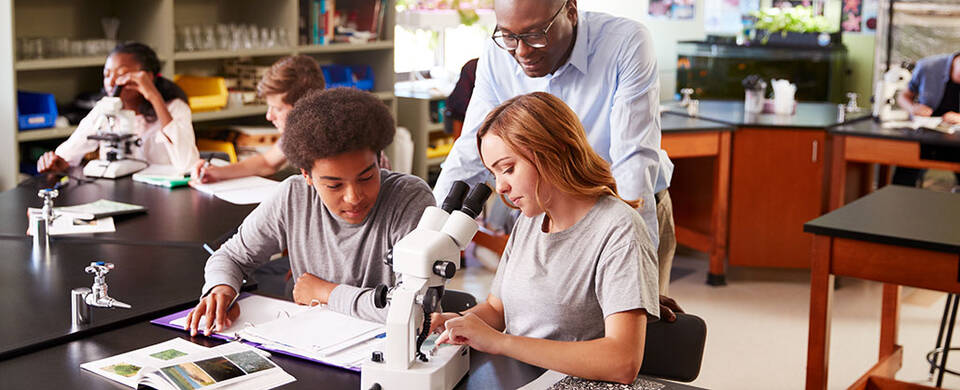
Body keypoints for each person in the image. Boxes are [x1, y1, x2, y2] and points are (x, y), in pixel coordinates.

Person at [432, 0, 678, 295]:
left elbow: (633, 164)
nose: (521, 51)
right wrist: (428, 233)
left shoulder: (625, 43)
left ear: (571, 11)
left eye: (537, 34)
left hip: (624, 208)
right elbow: (468, 155)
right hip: (547, 212)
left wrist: (637, 267)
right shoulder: (498, 53)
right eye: (509, 36)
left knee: (631, 330)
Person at [433, 92, 659, 384]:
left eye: (508, 169)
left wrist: (499, 342)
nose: (500, 187)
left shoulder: (619, 229)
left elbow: (621, 362)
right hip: (519, 378)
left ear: (552, 152)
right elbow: (497, 309)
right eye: (494, 173)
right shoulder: (532, 217)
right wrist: (456, 324)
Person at [185, 88, 435, 336]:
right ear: (307, 175)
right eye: (334, 185)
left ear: (380, 160)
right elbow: (232, 256)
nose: (353, 197)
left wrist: (327, 292)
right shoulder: (293, 196)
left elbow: (414, 310)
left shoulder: (409, 199)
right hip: (313, 345)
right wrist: (221, 288)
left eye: (367, 177)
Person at [37, 42, 199, 173]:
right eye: (107, 75)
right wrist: (56, 162)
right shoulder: (105, 109)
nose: (112, 82)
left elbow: (187, 164)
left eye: (121, 74)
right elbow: (70, 153)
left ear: (148, 77)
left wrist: (154, 97)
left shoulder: (175, 108)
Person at [190, 55, 325, 183]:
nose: (269, 116)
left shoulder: (328, 139)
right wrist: (216, 172)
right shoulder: (296, 133)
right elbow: (267, 162)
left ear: (303, 107)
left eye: (277, 108)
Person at [894, 52, 960, 187]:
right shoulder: (928, 66)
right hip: (924, 134)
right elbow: (903, 96)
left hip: (956, 139)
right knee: (903, 178)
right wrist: (913, 108)